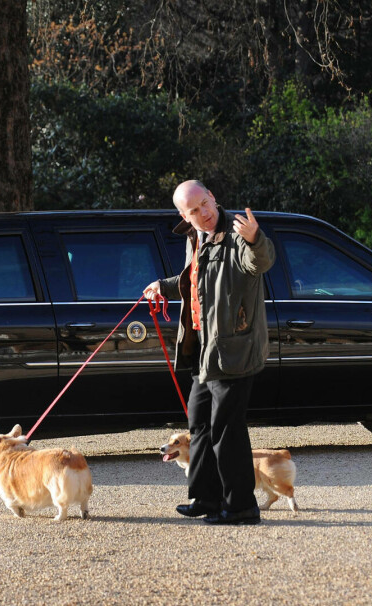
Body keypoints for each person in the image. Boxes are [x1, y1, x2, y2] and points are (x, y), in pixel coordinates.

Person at [143, 180, 275, 525]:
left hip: (233, 349)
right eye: (193, 210)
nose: (202, 214)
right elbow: (197, 279)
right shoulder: (195, 236)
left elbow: (259, 262)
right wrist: (164, 286)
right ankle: (207, 498)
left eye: (204, 204)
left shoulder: (237, 235)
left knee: (226, 429)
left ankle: (242, 506)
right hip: (203, 348)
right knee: (198, 423)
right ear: (183, 215)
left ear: (213, 198)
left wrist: (255, 239)